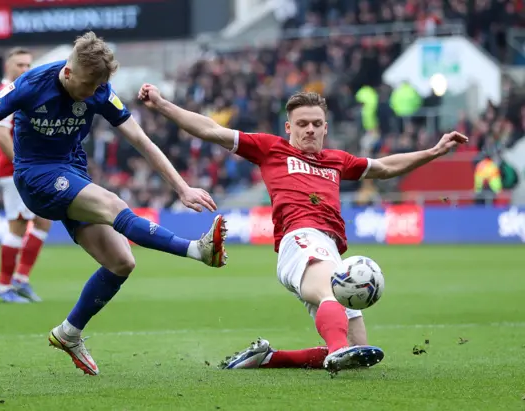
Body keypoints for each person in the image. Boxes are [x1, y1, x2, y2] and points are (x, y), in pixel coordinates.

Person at [139, 84, 468, 374]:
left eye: (316, 124)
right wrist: (163, 104)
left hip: (329, 249)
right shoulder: (271, 149)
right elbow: (211, 129)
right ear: (288, 127)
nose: (309, 129)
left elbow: (383, 168)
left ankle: (268, 359)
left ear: (326, 127)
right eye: (302, 124)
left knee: (359, 353)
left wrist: (434, 151)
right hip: (300, 239)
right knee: (334, 304)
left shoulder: (337, 161)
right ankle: (337, 349)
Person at [0, 32, 228, 376]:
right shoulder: (30, 84)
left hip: (73, 172)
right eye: (87, 85)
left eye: (97, 86)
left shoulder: (99, 88)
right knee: (113, 204)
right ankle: (197, 250)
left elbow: (139, 139)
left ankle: (69, 332)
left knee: (121, 262)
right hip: (37, 177)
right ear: (69, 73)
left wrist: (181, 187)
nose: (91, 94)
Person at [0, 47, 53, 303]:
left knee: (43, 222)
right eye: (20, 65)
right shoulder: (5, 93)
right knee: (17, 226)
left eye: (28, 65)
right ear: (8, 67)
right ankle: (3, 286)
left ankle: (20, 279)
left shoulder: (22, 91)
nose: (25, 70)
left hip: (28, 169)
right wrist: (22, 164)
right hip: (15, 171)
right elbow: (0, 134)